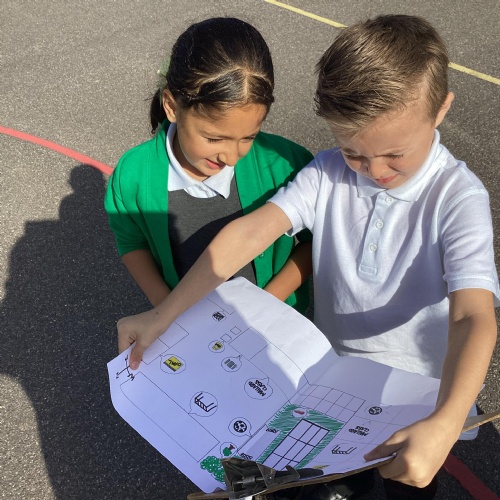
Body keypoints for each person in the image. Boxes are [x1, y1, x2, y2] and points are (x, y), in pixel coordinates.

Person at [115, 14, 499, 500]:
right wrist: (165, 314)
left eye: (395, 154)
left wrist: (446, 420)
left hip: (418, 392)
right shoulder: (328, 171)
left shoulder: (458, 198)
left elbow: (472, 315)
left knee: (410, 483)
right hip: (330, 377)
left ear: (440, 109)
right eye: (353, 151)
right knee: (336, 483)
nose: (373, 170)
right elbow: (248, 234)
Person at [105, 17, 313, 317]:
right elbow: (132, 242)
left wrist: (267, 303)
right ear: (171, 106)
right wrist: (168, 311)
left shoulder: (286, 163)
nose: (231, 157)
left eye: (248, 137)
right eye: (214, 138)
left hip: (271, 320)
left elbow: (314, 241)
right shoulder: (133, 175)